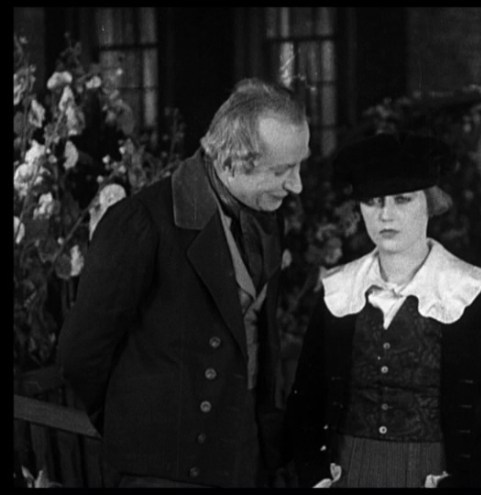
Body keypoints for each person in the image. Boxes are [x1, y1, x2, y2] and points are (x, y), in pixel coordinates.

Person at [57, 78, 310, 488]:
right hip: (165, 469)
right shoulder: (141, 223)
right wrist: (139, 430)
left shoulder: (266, 215)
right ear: (230, 162)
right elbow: (79, 354)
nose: (297, 184)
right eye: (282, 170)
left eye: (300, 165)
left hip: (243, 454)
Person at [284, 132, 481, 488]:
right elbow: (304, 402)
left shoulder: (472, 291)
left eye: (402, 199)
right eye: (373, 202)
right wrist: (316, 474)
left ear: (429, 203)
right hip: (349, 475)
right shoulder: (340, 290)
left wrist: (466, 482)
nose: (386, 215)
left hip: (433, 476)